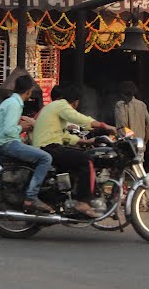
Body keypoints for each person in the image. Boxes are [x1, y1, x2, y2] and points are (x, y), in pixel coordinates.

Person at [32, 82, 115, 218]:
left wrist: (86, 141)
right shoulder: (61, 105)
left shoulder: (54, 107)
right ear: (76, 102)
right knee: (87, 160)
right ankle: (83, 202)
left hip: (47, 145)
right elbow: (80, 119)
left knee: (79, 158)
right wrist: (105, 126)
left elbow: (62, 135)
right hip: (48, 147)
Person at [0, 73, 53, 214]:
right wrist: (22, 128)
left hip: (5, 143)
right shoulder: (14, 104)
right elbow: (9, 130)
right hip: (7, 144)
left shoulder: (9, 102)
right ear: (28, 91)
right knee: (46, 158)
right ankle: (31, 197)